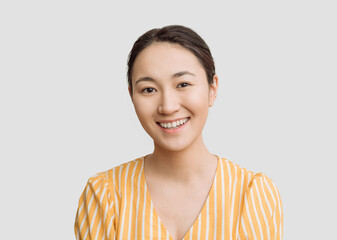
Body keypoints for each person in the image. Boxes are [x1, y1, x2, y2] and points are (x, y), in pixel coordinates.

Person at [74, 25, 283, 240]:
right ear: (131, 96)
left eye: (183, 84)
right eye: (149, 89)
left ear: (212, 89)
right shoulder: (105, 194)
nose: (168, 106)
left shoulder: (251, 194)